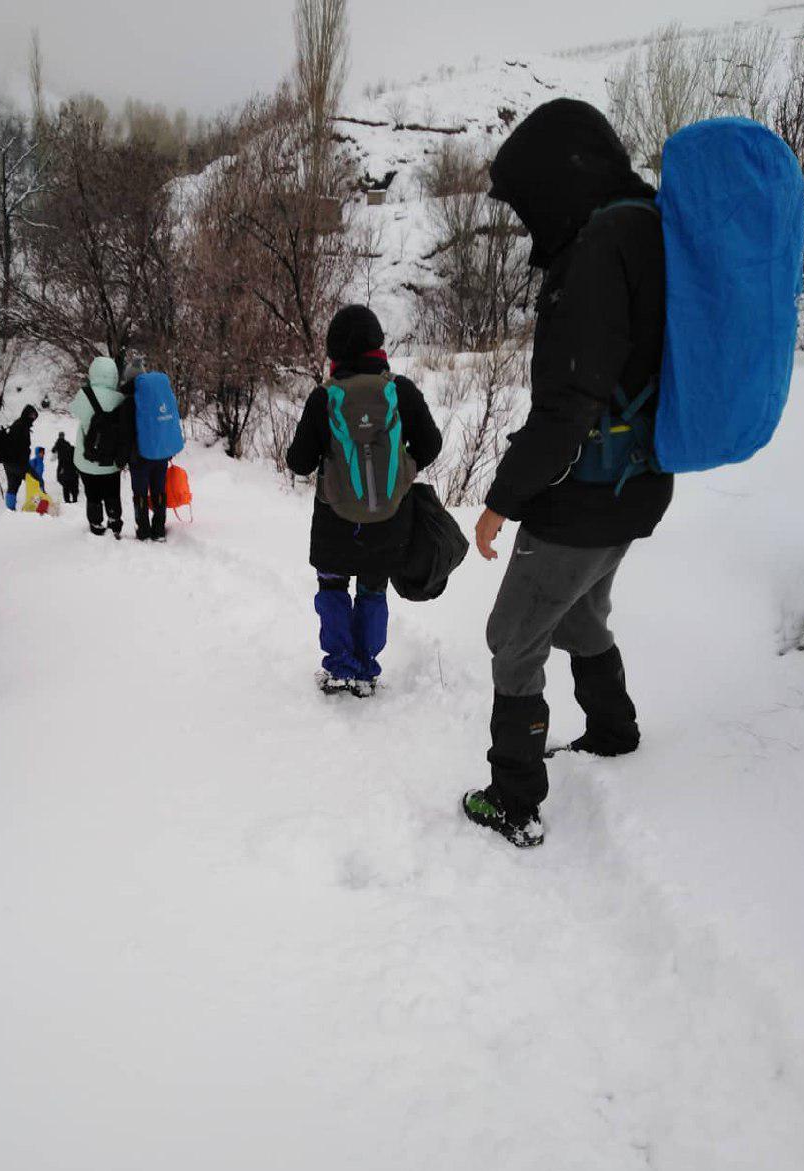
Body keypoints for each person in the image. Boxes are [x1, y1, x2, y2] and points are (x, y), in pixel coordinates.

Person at [462, 99, 673, 849]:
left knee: (513, 635)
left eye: (528, 203)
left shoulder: (599, 247)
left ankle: (514, 798)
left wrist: (499, 502)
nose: (527, 222)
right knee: (580, 613)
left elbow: (567, 409)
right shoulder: (644, 228)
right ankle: (614, 729)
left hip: (582, 493)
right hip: (635, 486)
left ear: (560, 177)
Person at [286, 305, 442, 697]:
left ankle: (339, 666)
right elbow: (431, 444)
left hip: (335, 520)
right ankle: (366, 671)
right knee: (373, 590)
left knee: (333, 589)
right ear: (377, 344)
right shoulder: (400, 391)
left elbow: (298, 461)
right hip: (389, 521)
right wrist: (404, 469)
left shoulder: (325, 397)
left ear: (334, 349)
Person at [119, 354, 181, 543]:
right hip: (160, 454)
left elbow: (126, 434)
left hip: (139, 457)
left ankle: (144, 530)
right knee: (158, 491)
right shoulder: (156, 397)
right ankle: (159, 529)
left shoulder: (129, 402)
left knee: (140, 494)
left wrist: (122, 459)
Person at [69, 357, 124, 538]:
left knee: (92, 494)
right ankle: (115, 521)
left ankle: (96, 523)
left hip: (87, 459)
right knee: (112, 491)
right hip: (111, 461)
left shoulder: (84, 395)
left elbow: (73, 409)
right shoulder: (120, 399)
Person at [2, 404, 39, 511]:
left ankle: (10, 511)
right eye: (32, 416)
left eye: (34, 417)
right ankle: (36, 505)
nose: (33, 419)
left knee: (13, 486)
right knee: (36, 480)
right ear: (27, 414)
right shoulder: (22, 426)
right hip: (18, 462)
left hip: (8, 463)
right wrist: (25, 460)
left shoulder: (17, 424)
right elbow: (21, 446)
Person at [51, 432, 80, 504]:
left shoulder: (58, 443)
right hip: (72, 467)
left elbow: (53, 450)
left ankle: (67, 499)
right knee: (74, 482)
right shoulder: (68, 445)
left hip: (63, 464)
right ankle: (74, 498)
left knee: (63, 481)